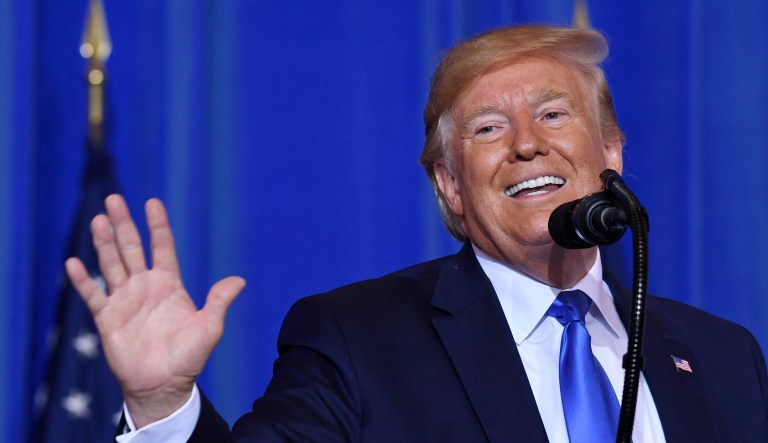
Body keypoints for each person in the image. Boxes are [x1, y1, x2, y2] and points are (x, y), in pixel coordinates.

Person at [66, 25, 768, 442]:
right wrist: (162, 405)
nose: (527, 144)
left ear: (610, 153)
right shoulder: (357, 338)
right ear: (452, 187)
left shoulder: (723, 356)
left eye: (554, 115)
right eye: (488, 128)